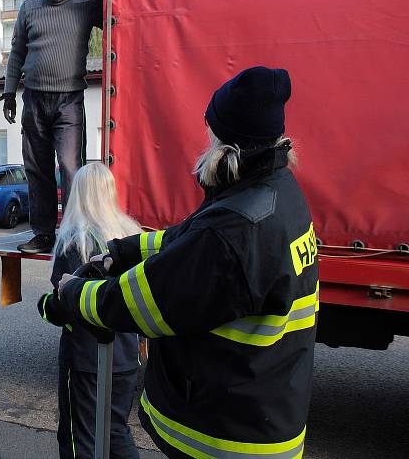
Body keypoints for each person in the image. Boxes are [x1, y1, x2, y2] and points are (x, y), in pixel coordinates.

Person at [59, 67, 319, 458]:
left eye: (211, 128)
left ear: (227, 140)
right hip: (266, 415)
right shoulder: (273, 195)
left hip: (228, 435)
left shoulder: (235, 230)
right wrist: (126, 250)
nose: (206, 136)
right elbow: (190, 239)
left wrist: (74, 292)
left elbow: (144, 303)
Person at [0, 0, 103, 254]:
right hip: (34, 99)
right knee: (36, 168)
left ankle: (72, 234)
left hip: (69, 100)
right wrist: (9, 92)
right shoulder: (30, 8)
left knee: (71, 168)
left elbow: (118, 21)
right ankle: (43, 234)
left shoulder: (85, 5)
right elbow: (17, 52)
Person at [38, 162, 141, 458]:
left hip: (85, 358)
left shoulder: (75, 242)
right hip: (124, 356)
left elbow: (64, 306)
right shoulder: (130, 235)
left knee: (78, 439)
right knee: (116, 431)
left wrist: (44, 305)